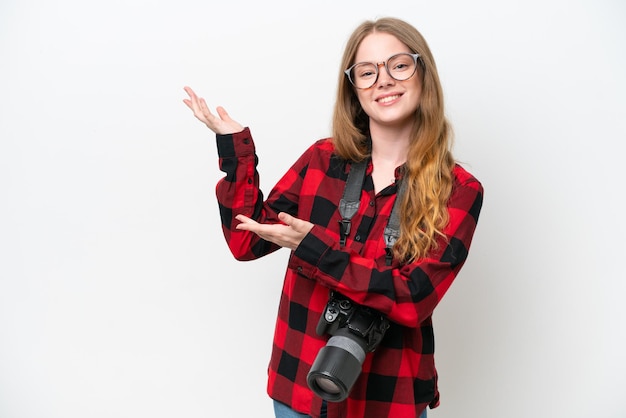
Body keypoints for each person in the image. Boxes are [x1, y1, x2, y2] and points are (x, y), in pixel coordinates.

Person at [183, 16, 483, 418]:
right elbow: (246, 241)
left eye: (398, 65)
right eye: (367, 71)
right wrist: (237, 152)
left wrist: (315, 249)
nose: (383, 80)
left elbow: (412, 299)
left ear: (422, 73)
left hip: (387, 399)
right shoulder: (322, 160)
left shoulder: (459, 190)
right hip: (300, 390)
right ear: (353, 89)